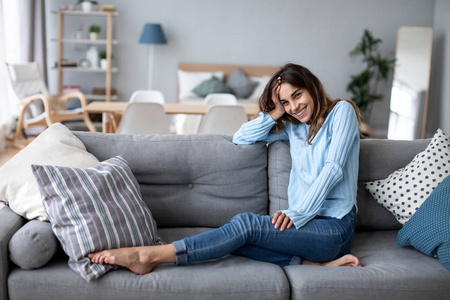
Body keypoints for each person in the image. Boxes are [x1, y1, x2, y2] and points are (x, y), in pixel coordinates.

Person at [88, 63, 362, 274]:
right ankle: (309, 265)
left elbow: (333, 169)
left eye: (297, 95)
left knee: (243, 225)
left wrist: (299, 213)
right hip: (305, 227)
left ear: (312, 86)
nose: (295, 106)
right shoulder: (292, 126)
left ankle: (149, 256)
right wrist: (276, 113)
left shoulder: (341, 112)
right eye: (286, 102)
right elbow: (242, 137)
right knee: (232, 237)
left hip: (334, 228)